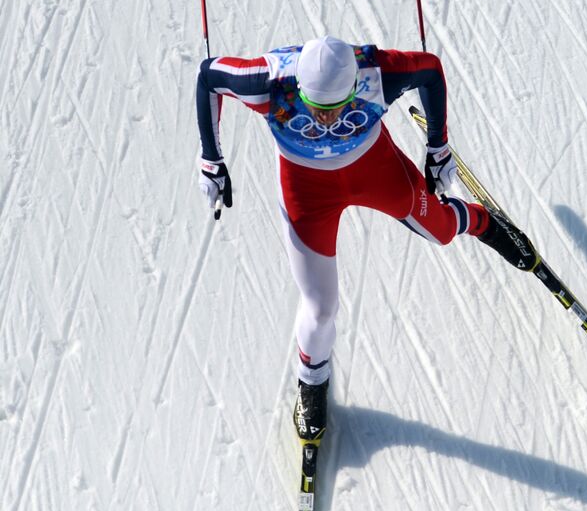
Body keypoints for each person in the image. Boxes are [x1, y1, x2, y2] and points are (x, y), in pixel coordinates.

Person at [194, 35, 537, 432]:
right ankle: (312, 382)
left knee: (441, 231)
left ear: (354, 86)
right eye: (316, 108)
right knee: (321, 309)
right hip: (307, 190)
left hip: (372, 167)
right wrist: (210, 158)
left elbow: (430, 69)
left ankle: (484, 222)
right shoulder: (269, 82)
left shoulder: (378, 72)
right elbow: (208, 78)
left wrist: (438, 147)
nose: (325, 118)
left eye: (335, 107)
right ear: (300, 89)